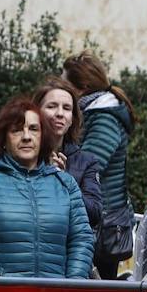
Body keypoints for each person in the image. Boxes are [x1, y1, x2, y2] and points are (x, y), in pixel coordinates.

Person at [0, 98, 95, 280]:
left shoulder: (66, 184)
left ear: (43, 136)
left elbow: (81, 241)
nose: (26, 136)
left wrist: (73, 287)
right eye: (16, 130)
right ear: (3, 138)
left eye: (33, 129)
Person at [63, 51, 134, 279]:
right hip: (95, 220)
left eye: (65, 84)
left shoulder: (104, 118)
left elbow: (88, 166)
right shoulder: (91, 113)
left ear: (82, 87)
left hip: (102, 225)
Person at [35, 76, 102, 228]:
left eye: (66, 108)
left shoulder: (86, 162)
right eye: (52, 106)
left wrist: (65, 182)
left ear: (72, 118)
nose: (59, 114)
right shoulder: (22, 154)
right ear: (36, 112)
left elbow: (95, 215)